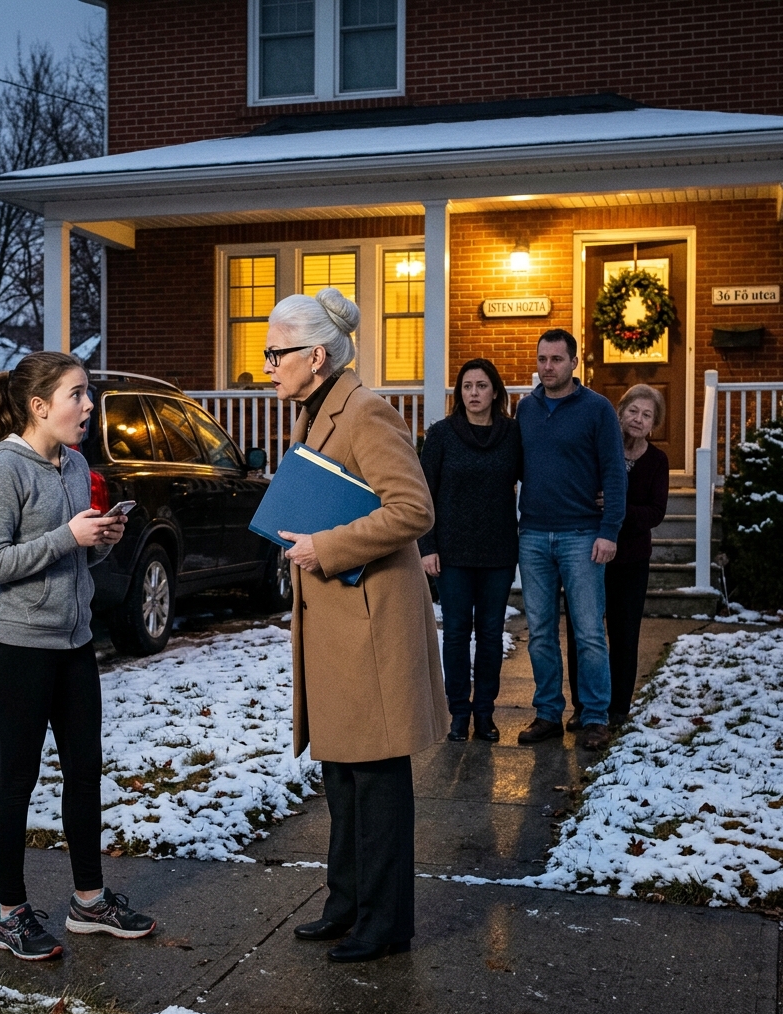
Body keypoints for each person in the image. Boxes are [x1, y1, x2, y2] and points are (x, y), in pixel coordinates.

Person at [265, 288, 445, 964]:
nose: (267, 365)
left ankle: (385, 922)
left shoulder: (365, 411)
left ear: (315, 355)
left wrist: (325, 546)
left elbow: (412, 509)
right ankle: (346, 904)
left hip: (371, 624)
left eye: (275, 352)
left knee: (376, 781)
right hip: (339, 624)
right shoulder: (316, 411)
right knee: (340, 774)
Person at [0, 351, 156, 962]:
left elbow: (74, 557)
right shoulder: (4, 470)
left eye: (88, 393)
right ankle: (9, 912)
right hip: (19, 645)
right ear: (39, 406)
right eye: (77, 395)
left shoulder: (75, 464)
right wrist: (65, 538)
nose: (88, 405)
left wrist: (98, 540)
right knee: (18, 777)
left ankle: (88, 900)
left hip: (75, 643)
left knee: (84, 770)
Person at [514, 329, 626, 752]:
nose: (548, 367)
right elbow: (521, 467)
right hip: (534, 535)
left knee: (589, 631)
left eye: (557, 359)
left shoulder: (597, 409)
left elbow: (614, 472)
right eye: (542, 359)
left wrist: (609, 530)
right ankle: (547, 713)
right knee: (540, 631)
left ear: (574, 362)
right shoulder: (526, 409)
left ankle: (595, 716)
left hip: (583, 535)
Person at [419, 358, 522, 743]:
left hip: (497, 551)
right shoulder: (442, 435)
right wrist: (427, 547)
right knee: (458, 633)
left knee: (492, 634)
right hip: (451, 553)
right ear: (459, 393)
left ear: (495, 391)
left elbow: (540, 475)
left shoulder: (512, 434)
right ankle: (459, 713)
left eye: (481, 386)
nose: (474, 393)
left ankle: (485, 714)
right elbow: (423, 495)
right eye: (467, 387)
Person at [564, 384, 669, 729]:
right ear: (620, 413)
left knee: (624, 634)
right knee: (583, 632)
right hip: (590, 552)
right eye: (633, 411)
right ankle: (583, 707)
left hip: (632, 559)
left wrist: (619, 509)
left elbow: (655, 512)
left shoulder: (657, 461)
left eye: (646, 415)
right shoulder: (599, 451)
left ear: (654, 424)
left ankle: (618, 708)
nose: (638, 420)